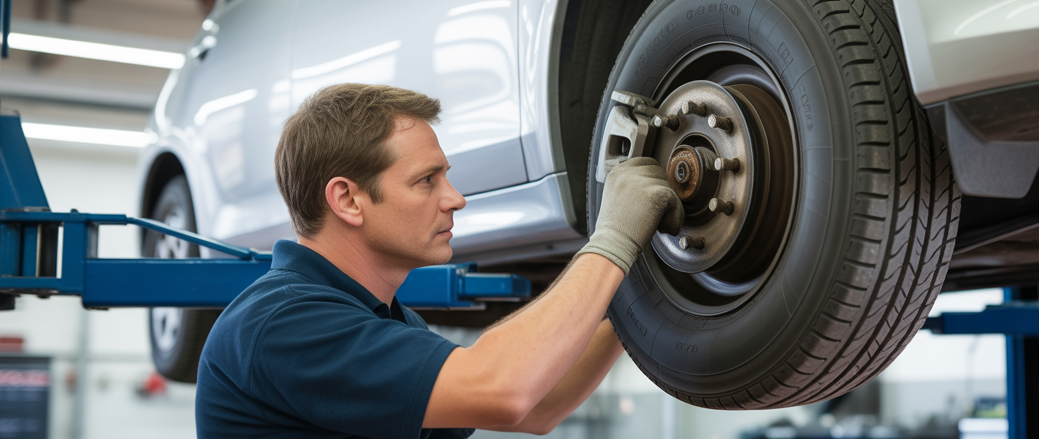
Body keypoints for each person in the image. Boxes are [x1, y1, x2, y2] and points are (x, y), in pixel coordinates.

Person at [195, 83, 682, 438]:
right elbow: (502, 389)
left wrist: (627, 297)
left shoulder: (389, 321)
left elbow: (538, 407)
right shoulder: (283, 323)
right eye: (426, 180)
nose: (455, 199)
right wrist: (613, 238)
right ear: (347, 200)